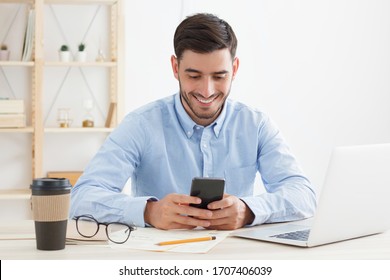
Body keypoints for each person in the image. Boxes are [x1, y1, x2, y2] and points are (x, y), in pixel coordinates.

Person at [70, 13, 316, 230]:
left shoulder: (256, 124)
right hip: (158, 261)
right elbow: (81, 198)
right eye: (194, 75)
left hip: (236, 259)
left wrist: (248, 210)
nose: (207, 91)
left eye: (219, 76)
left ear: (235, 68)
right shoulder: (140, 125)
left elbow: (303, 196)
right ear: (175, 67)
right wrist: (149, 212)